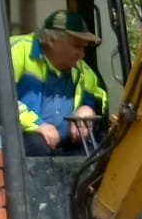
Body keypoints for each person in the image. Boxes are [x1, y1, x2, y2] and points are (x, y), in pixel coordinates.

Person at [7, 10, 107, 155]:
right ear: (52, 41)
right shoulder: (16, 51)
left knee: (94, 155)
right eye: (77, 46)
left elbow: (98, 96)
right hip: (23, 140)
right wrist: (37, 125)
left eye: (84, 47)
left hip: (65, 145)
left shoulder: (81, 69)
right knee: (36, 146)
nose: (82, 54)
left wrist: (88, 109)